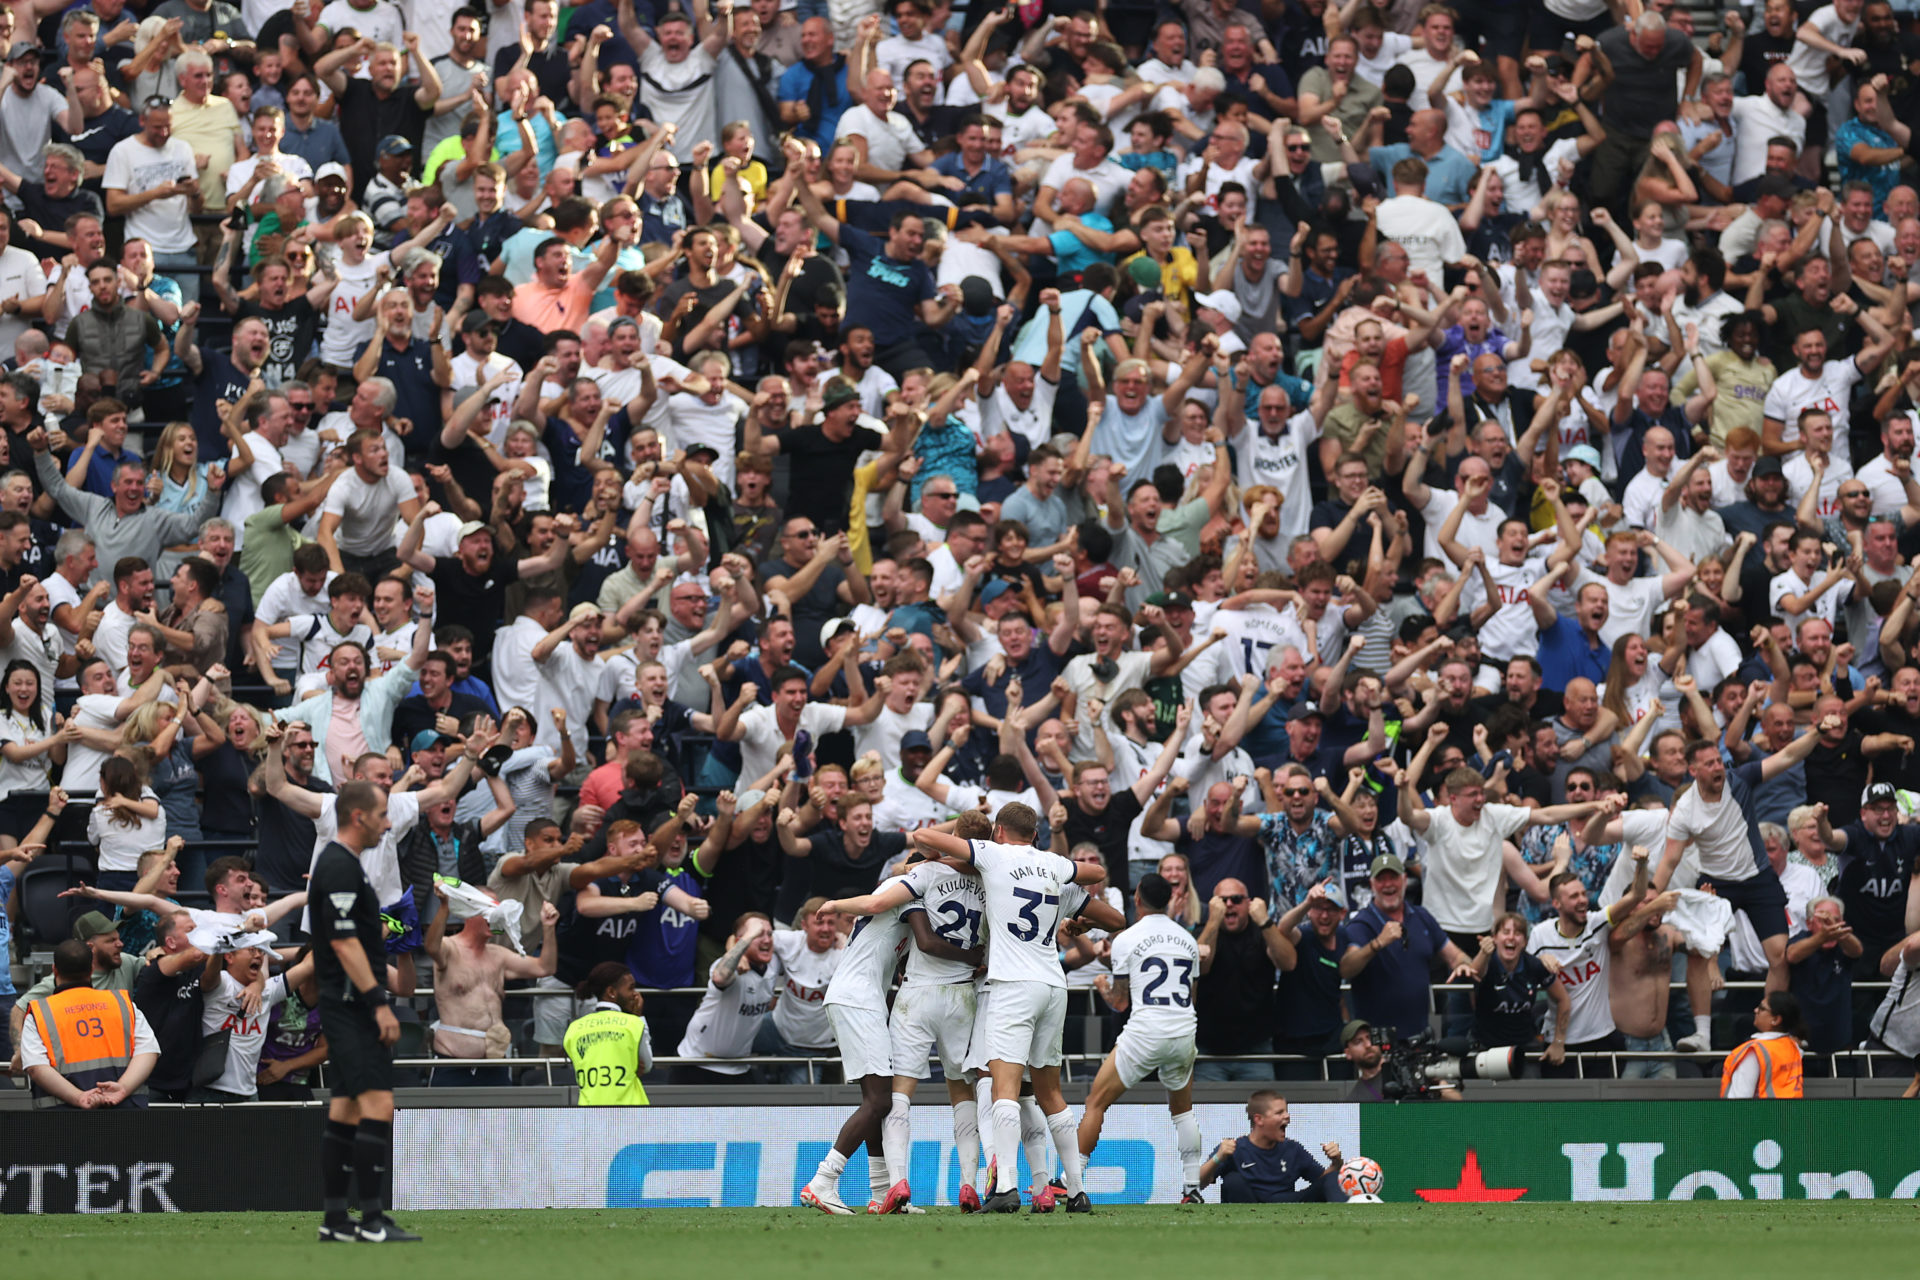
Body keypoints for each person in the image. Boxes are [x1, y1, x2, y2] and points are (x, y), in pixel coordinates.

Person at [900, 806, 1106, 1213]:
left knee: (1005, 1088)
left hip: (1013, 985)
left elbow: (922, 836)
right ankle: (1077, 1191)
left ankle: (1006, 1186)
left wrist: (951, 856)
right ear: (1034, 833)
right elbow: (1096, 875)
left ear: (998, 831)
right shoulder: (1051, 863)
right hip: (1053, 984)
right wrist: (1065, 869)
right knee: (1050, 1091)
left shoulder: (992, 854)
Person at [307, 779, 417, 1244]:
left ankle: (335, 1221)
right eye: (381, 815)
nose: (387, 824)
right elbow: (343, 941)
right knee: (378, 1103)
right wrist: (379, 1003)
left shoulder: (344, 865)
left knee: (347, 1108)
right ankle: (371, 1220)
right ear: (358, 817)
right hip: (353, 1006)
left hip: (349, 1003)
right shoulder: (337, 867)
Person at [1076, 873, 1205, 1202]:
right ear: (1169, 901)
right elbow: (1191, 995)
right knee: (1183, 1110)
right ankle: (1192, 1186)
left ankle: (1069, 1179)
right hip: (1183, 1029)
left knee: (1096, 1102)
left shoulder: (1126, 939)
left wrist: (1102, 985)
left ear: (1137, 900)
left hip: (1146, 1030)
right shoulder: (1188, 941)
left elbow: (1119, 1002)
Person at [18, 938, 159, 1109]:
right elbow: (148, 1051)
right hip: (125, 1116)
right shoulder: (122, 1004)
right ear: (91, 969)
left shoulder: (39, 1013)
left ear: (54, 970)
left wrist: (79, 1097)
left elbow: (36, 1068)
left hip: (61, 1123)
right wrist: (123, 1088)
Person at [1193, 1090, 1348, 1203]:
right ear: (1259, 1119)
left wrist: (1336, 1162)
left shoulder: (1293, 1149)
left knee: (1334, 1177)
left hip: (1287, 1205)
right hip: (1248, 1206)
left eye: (1286, 1112)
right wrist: (1218, 1157)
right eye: (1279, 1113)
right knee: (1233, 1181)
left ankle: (1347, 1223)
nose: (1287, 1116)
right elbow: (1197, 1183)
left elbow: (1322, 1181)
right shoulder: (1234, 1147)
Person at [564, 961, 653, 1105]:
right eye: (631, 988)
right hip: (630, 1114)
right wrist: (639, 1017)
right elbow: (647, 1065)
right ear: (611, 992)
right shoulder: (633, 1023)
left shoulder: (574, 1028)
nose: (635, 994)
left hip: (589, 1114)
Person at [1720, 990, 1808, 1097]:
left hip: (1761, 1113)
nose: (1755, 1010)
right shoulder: (1794, 1047)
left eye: (1762, 1008)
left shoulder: (1754, 1051)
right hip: (1791, 1112)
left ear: (1775, 1019)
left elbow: (1739, 1101)